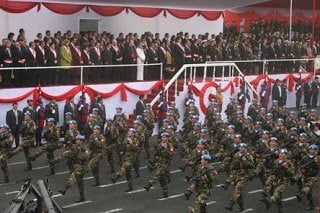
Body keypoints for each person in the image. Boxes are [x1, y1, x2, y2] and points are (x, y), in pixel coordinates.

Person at [58, 135, 91, 203]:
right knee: (79, 183)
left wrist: (77, 153)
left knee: (74, 177)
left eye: (77, 140)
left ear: (81, 141)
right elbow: (71, 149)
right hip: (76, 165)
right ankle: (82, 197)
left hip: (82, 166)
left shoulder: (85, 148)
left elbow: (86, 157)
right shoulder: (76, 147)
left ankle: (65, 189)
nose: (76, 141)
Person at [144, 132, 174, 198]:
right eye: (162, 137)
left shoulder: (170, 145)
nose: (163, 138)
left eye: (164, 137)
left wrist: (166, 149)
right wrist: (155, 158)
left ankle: (149, 184)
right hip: (159, 163)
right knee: (162, 179)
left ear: (168, 138)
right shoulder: (159, 145)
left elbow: (170, 155)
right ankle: (165, 192)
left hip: (165, 164)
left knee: (157, 174)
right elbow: (156, 154)